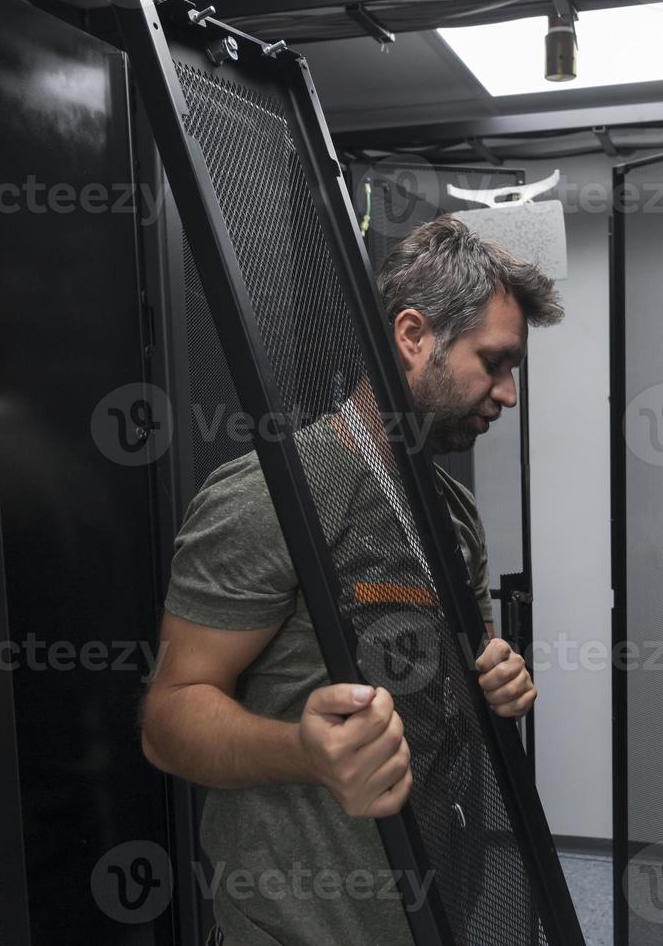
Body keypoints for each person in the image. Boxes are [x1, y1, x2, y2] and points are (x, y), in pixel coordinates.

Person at [140, 215, 565, 945]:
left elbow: (466, 662)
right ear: (413, 336)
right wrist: (303, 752)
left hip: (429, 914)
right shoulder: (274, 496)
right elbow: (168, 721)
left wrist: (502, 679)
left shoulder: (454, 514)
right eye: (494, 362)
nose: (508, 393)